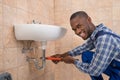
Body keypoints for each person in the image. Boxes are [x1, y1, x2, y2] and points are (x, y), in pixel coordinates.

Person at [51, 11, 120, 80]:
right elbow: (83, 48)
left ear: (89, 20)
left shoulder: (104, 39)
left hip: (118, 69)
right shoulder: (98, 32)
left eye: (79, 26)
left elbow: (94, 71)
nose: (77, 32)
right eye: (74, 29)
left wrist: (73, 61)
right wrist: (62, 56)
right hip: (114, 65)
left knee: (94, 69)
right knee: (86, 54)